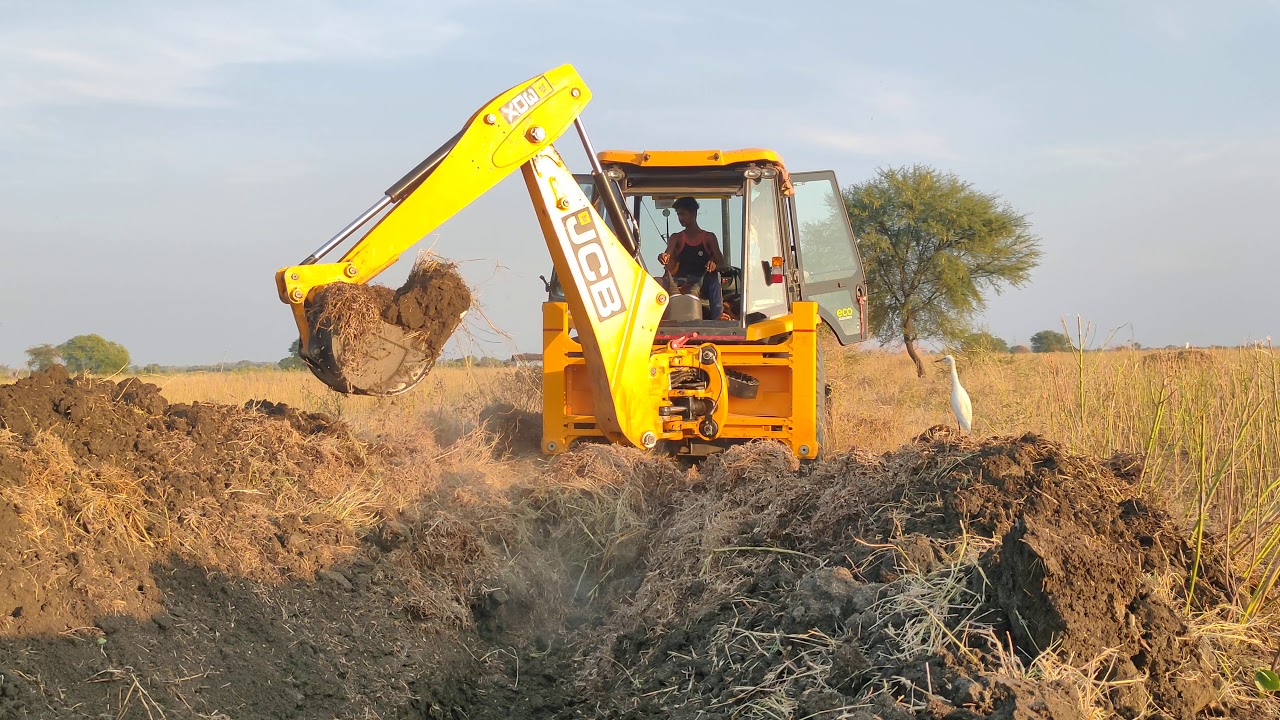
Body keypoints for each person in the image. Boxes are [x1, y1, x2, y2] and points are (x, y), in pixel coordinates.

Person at [657, 196, 725, 320]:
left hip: (703, 282)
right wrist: (663, 257)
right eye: (678, 214)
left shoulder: (709, 237)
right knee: (656, 282)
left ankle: (718, 316)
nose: (680, 218)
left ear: (693, 213)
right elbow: (667, 254)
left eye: (683, 214)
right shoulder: (676, 237)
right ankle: (655, 319)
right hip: (679, 280)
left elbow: (721, 263)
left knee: (715, 280)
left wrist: (714, 265)